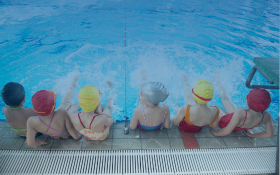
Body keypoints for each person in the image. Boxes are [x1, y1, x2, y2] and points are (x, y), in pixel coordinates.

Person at [212, 73, 274, 138]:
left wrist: (216, 133)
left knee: (215, 108)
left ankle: (215, 77)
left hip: (225, 123)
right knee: (225, 98)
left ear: (248, 103)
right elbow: (269, 134)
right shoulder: (267, 116)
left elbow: (227, 131)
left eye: (247, 97)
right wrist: (252, 135)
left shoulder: (240, 112)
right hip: (239, 122)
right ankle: (217, 80)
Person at [26, 75, 81, 147]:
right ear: (54, 105)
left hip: (53, 136)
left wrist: (40, 142)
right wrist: (77, 137)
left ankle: (54, 91)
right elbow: (70, 128)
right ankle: (73, 82)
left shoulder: (31, 121)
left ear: (34, 109)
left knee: (61, 104)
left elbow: (30, 143)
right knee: (68, 103)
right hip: (65, 135)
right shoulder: (61, 112)